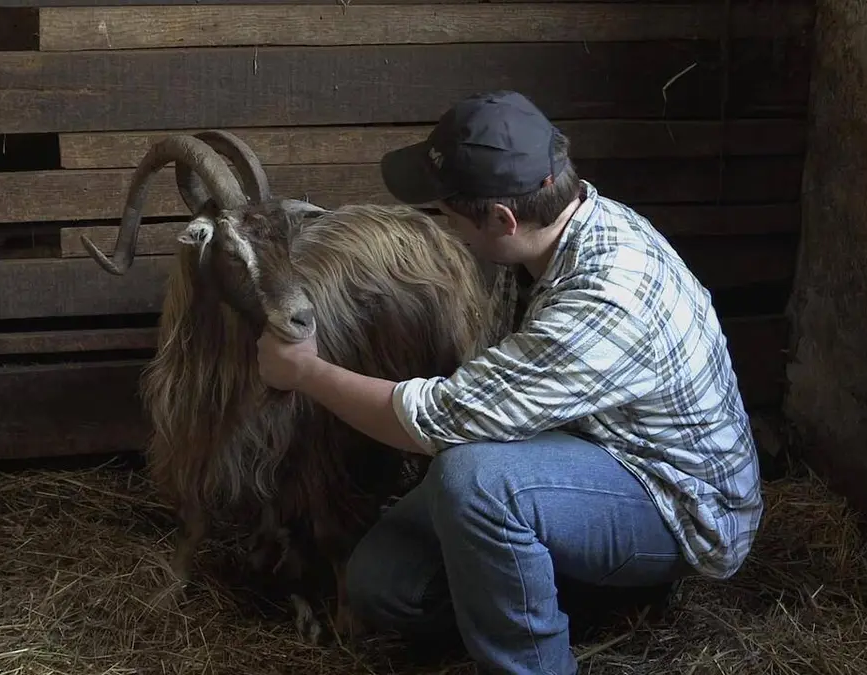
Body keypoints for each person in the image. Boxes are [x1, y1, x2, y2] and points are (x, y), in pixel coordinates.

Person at [254, 90, 764, 674]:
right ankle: (581, 591)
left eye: (448, 216)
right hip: (584, 449)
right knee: (384, 583)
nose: (447, 230)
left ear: (503, 219)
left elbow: (436, 421)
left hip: (676, 504)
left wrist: (306, 371)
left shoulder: (603, 302)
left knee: (475, 480)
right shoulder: (554, 237)